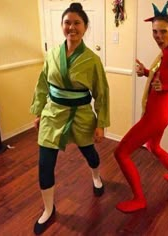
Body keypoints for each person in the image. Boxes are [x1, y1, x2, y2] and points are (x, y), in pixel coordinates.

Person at [30, 3, 110, 234]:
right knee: (45, 164)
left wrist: (101, 124)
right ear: (61, 25)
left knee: (90, 154)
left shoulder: (92, 60)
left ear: (85, 27)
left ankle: (96, 176)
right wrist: (39, 112)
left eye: (77, 23)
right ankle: (48, 209)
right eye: (67, 23)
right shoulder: (52, 55)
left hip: (81, 115)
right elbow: (43, 84)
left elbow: (101, 93)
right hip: (53, 114)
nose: (71, 27)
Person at [114, 1, 168, 213]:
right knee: (154, 147)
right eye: (154, 31)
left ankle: (139, 199)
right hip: (161, 113)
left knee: (121, 152)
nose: (158, 36)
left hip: (156, 116)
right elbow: (163, 75)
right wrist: (146, 73)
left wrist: (166, 86)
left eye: (163, 31)